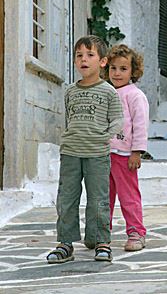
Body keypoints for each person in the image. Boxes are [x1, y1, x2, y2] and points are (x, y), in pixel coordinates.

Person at [47, 35, 124, 264]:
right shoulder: (70, 90)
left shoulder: (109, 91)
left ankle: (101, 242)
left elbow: (117, 121)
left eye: (90, 55)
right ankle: (65, 243)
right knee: (67, 198)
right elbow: (69, 118)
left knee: (99, 199)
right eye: (79, 55)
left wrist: (102, 136)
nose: (84, 59)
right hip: (71, 152)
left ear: (102, 62)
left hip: (97, 154)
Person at [105, 44, 149, 251]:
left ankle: (136, 232)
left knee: (128, 197)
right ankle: (101, 233)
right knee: (103, 197)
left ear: (133, 71)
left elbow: (140, 125)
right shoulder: (105, 92)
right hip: (104, 155)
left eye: (123, 69)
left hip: (124, 156)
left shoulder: (135, 95)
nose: (117, 73)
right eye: (113, 68)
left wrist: (136, 152)